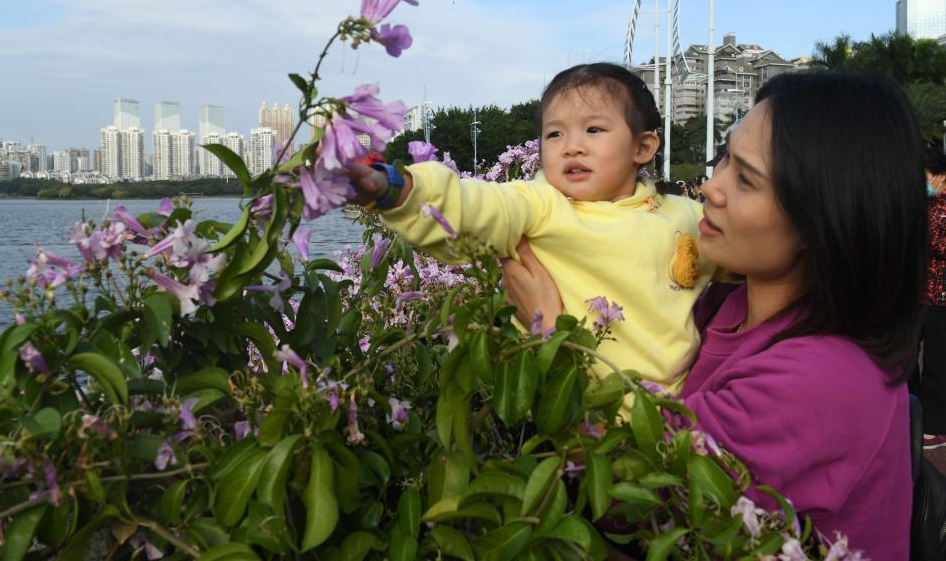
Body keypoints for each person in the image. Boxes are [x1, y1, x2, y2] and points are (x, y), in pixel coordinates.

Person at [500, 72, 922, 559]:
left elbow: (625, 499)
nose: (710, 187)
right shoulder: (725, 302)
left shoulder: (819, 381)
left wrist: (552, 337)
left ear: (823, 218)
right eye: (724, 158)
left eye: (745, 179)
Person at [349, 63, 717, 392]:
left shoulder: (683, 214)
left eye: (593, 129)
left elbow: (741, 252)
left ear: (643, 147)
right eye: (554, 134)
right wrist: (396, 189)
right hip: (586, 407)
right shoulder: (543, 204)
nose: (572, 147)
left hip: (679, 410)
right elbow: (476, 206)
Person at [918, 143, 946, 449]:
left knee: (937, 360)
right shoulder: (929, 201)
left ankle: (937, 427)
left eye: (924, 176)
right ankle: (917, 412)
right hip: (922, 292)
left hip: (941, 294)